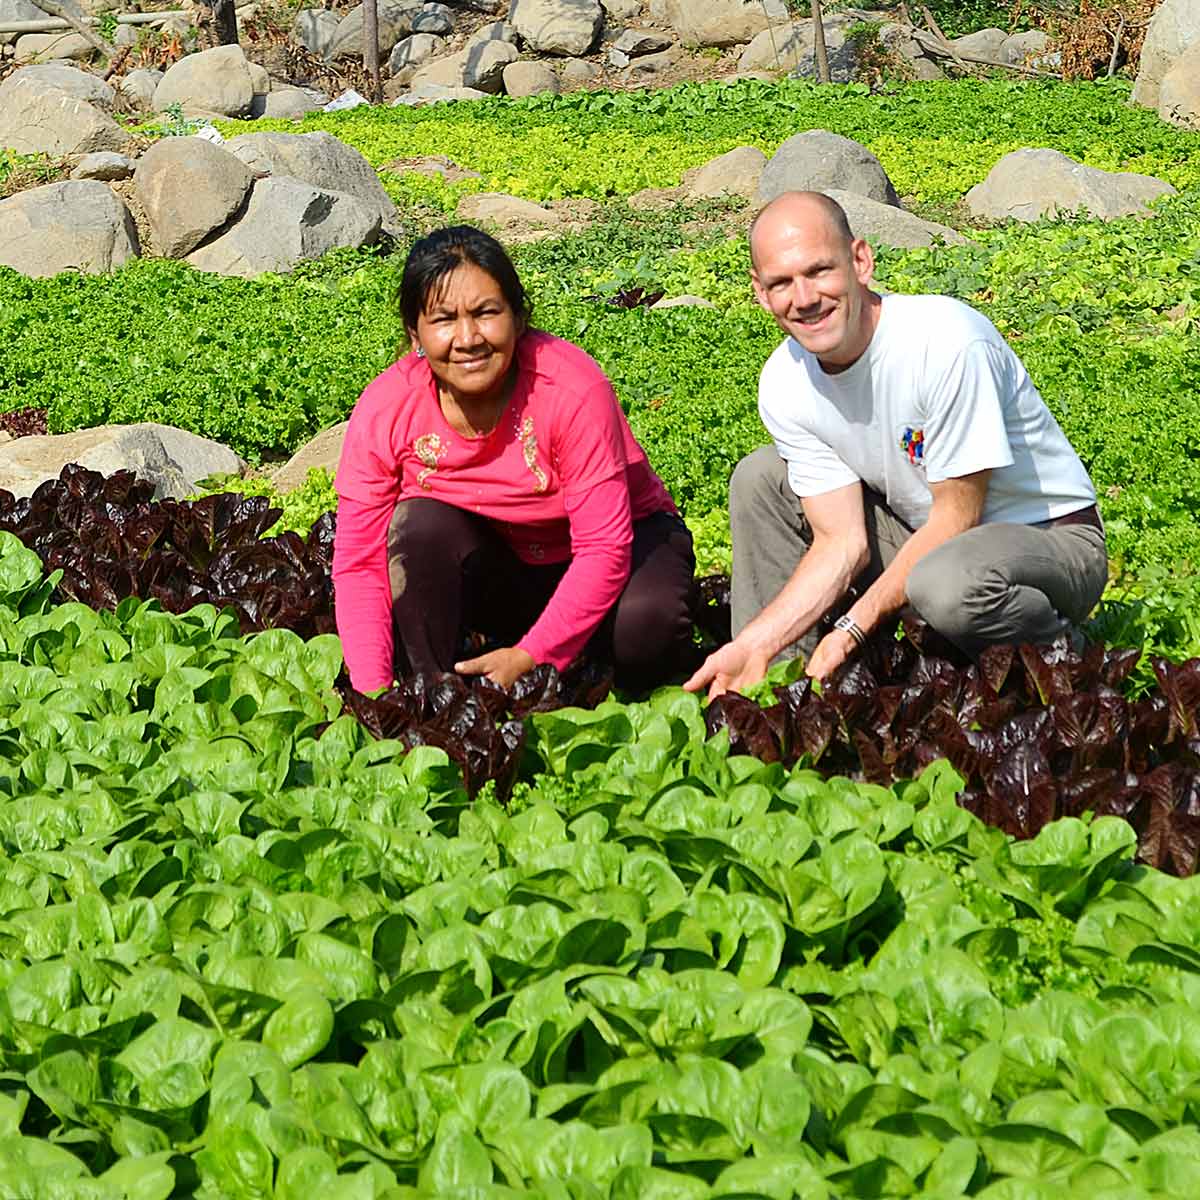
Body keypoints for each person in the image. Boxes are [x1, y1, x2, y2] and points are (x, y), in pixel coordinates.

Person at [686, 190, 1108, 699]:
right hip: (924, 538)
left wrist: (854, 628)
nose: (804, 298)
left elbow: (957, 519)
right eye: (781, 283)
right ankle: (776, 689)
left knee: (945, 582)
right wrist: (758, 639)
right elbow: (841, 542)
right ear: (760, 291)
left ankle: (1062, 660)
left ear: (860, 260)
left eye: (820, 271)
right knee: (763, 478)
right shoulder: (785, 380)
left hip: (1048, 542)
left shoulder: (946, 342)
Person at [332, 224, 696, 693]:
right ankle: (432, 688)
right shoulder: (387, 407)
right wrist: (373, 696)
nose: (467, 338)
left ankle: (588, 663)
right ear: (415, 333)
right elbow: (359, 565)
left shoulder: (572, 390)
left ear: (519, 318)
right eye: (443, 319)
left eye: (486, 313)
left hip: (625, 546)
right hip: (505, 563)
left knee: (647, 627)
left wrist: (533, 657)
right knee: (418, 526)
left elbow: (604, 549)